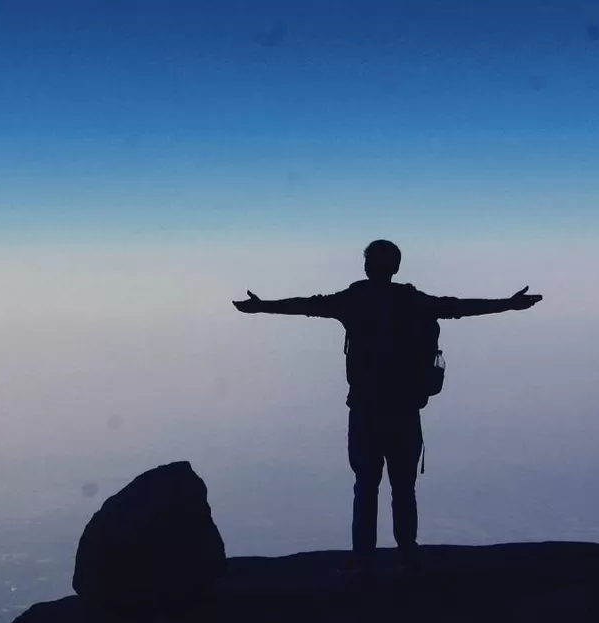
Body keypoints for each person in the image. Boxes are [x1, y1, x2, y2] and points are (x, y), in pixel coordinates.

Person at [232, 239, 542, 573]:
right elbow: (458, 307)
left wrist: (263, 306)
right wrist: (508, 304)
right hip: (405, 411)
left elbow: (306, 305)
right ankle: (408, 554)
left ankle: (364, 558)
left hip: (365, 410)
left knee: (365, 486)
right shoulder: (413, 301)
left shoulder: (353, 300)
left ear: (367, 266)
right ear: (395, 267)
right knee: (403, 489)